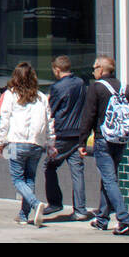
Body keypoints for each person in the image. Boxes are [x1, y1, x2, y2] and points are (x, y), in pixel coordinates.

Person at [77, 54, 129, 236]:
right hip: (121, 140)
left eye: (94, 68)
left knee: (109, 179)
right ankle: (102, 219)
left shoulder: (96, 88)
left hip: (103, 139)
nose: (93, 71)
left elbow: (88, 116)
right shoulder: (125, 88)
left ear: (101, 69)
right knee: (109, 177)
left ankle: (123, 219)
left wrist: (82, 142)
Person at [0, 61, 55, 227]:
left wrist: (0, 142)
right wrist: (50, 143)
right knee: (30, 178)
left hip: (15, 141)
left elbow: (4, 120)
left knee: (17, 179)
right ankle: (23, 215)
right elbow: (49, 121)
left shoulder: (10, 95)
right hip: (37, 144)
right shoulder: (41, 97)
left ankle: (36, 204)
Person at [44, 55, 89, 220]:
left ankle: (55, 202)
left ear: (57, 69)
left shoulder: (57, 87)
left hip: (62, 134)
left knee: (49, 166)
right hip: (78, 133)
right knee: (77, 171)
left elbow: (51, 110)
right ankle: (81, 210)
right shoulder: (80, 83)